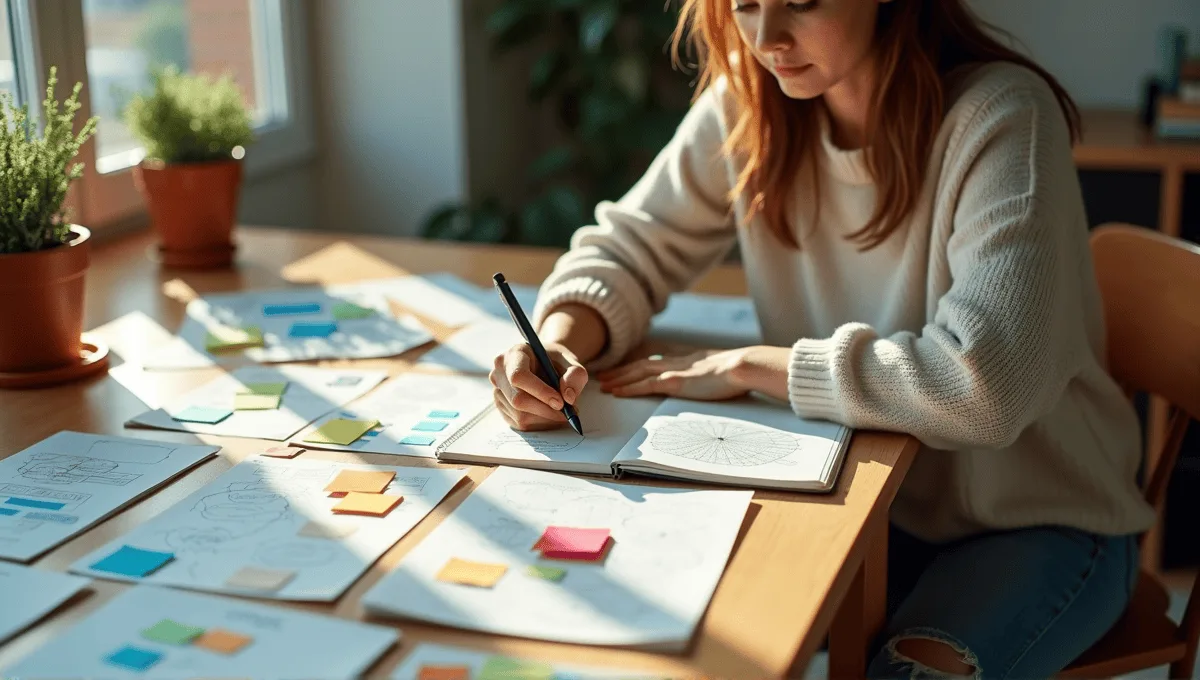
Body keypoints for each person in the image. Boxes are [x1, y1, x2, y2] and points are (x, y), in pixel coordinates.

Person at [488, 0, 1156, 676]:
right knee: (656, 634)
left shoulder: (1002, 115)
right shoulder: (751, 101)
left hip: (1032, 518)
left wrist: (758, 367)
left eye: (802, 2)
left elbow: (986, 386)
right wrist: (557, 341)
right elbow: (629, 248)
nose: (767, 37)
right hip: (864, 500)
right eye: (744, 3)